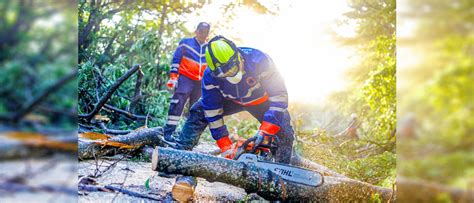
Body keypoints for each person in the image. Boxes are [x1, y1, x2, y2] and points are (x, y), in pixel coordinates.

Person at [174, 36, 295, 164]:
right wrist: (225, 145)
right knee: (200, 110)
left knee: (284, 129)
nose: (230, 75)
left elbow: (279, 95)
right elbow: (212, 112)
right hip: (231, 100)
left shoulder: (259, 61)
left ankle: (282, 167)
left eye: (232, 69)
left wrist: (266, 130)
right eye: (224, 75)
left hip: (262, 100)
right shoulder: (210, 77)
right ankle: (179, 155)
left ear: (238, 56)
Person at [163, 22, 210, 142]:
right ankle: (168, 133)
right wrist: (173, 77)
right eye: (201, 32)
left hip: (200, 82)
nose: (202, 34)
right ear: (196, 31)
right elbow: (176, 60)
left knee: (196, 109)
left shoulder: (209, 48)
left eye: (205, 32)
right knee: (177, 103)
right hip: (185, 78)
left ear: (208, 34)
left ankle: (186, 137)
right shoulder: (185, 42)